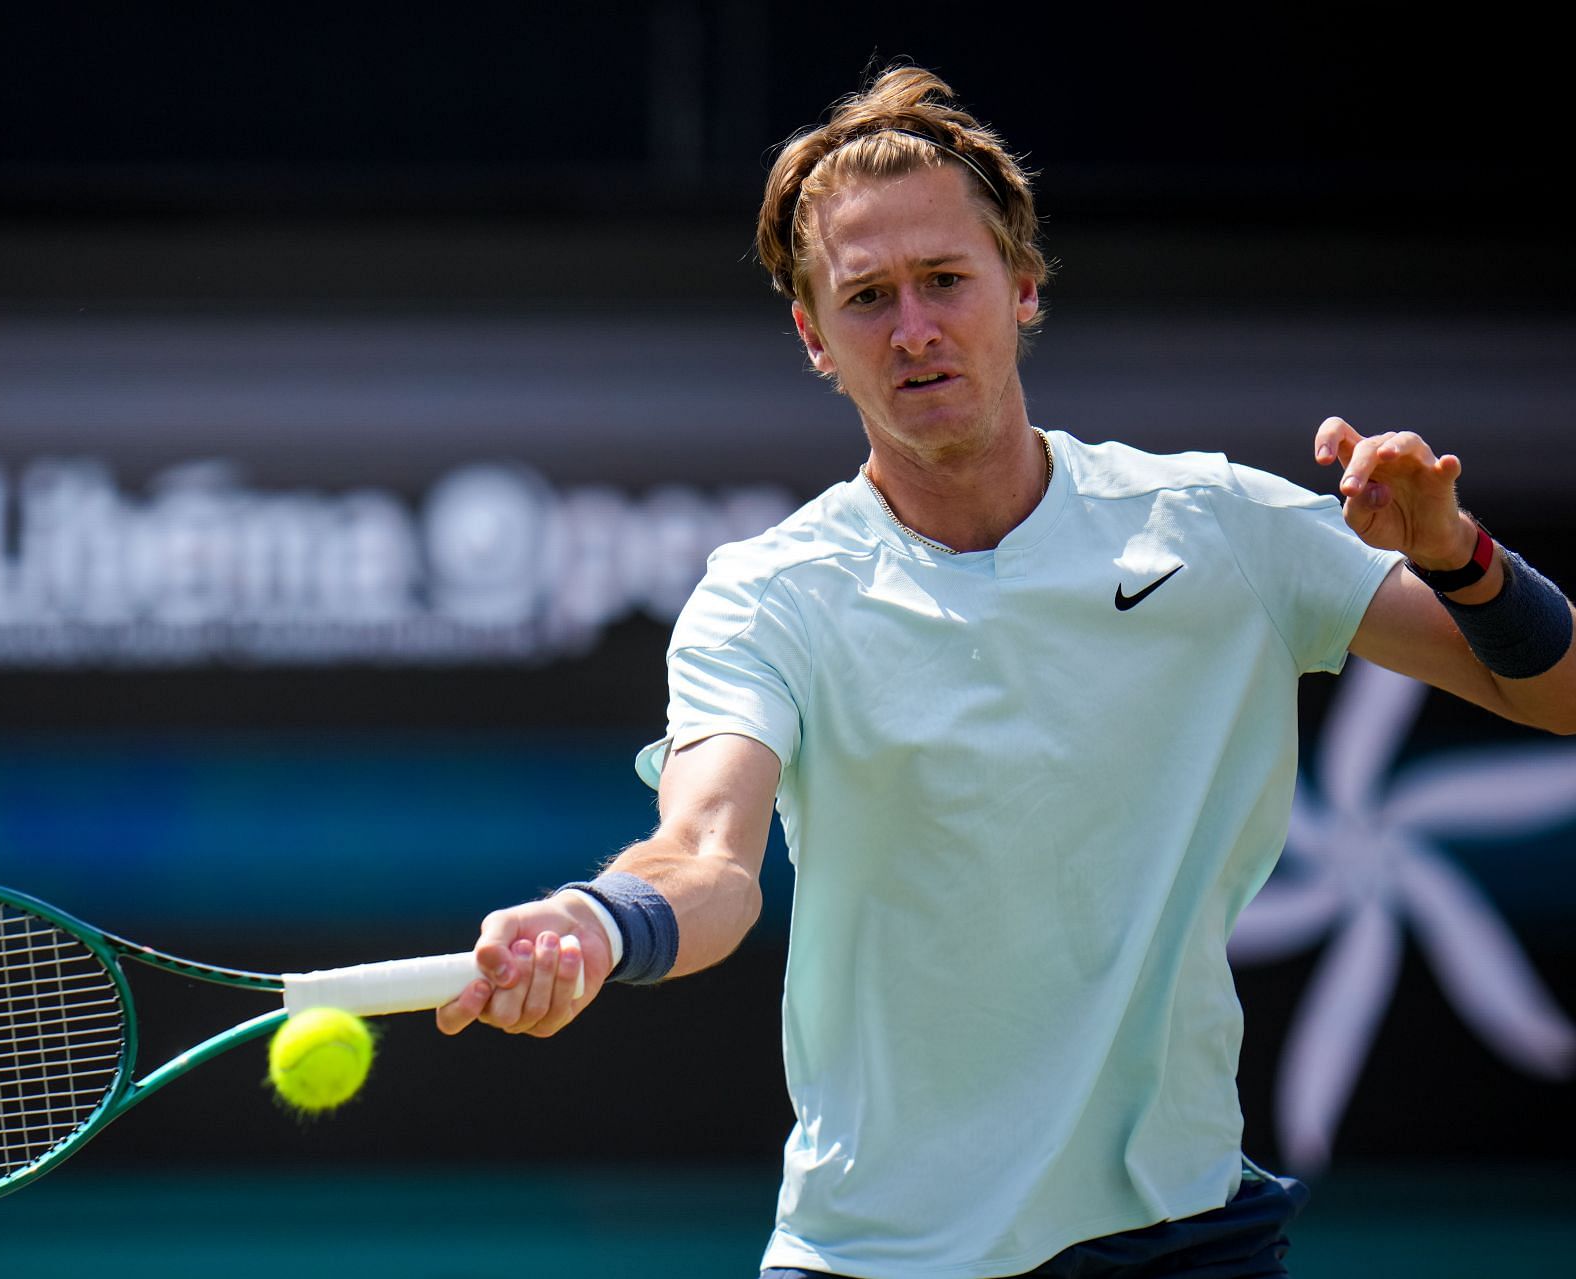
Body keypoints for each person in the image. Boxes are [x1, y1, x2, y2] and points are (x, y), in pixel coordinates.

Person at [434, 64, 1576, 1279]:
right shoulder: (768, 594)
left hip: (1179, 1236)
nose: (914, 329)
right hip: (874, 1256)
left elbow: (1550, 693)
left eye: (944, 281)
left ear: (1022, 287)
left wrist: (1462, 559)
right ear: (815, 338)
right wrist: (600, 921)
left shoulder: (1217, 527)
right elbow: (708, 858)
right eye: (867, 297)